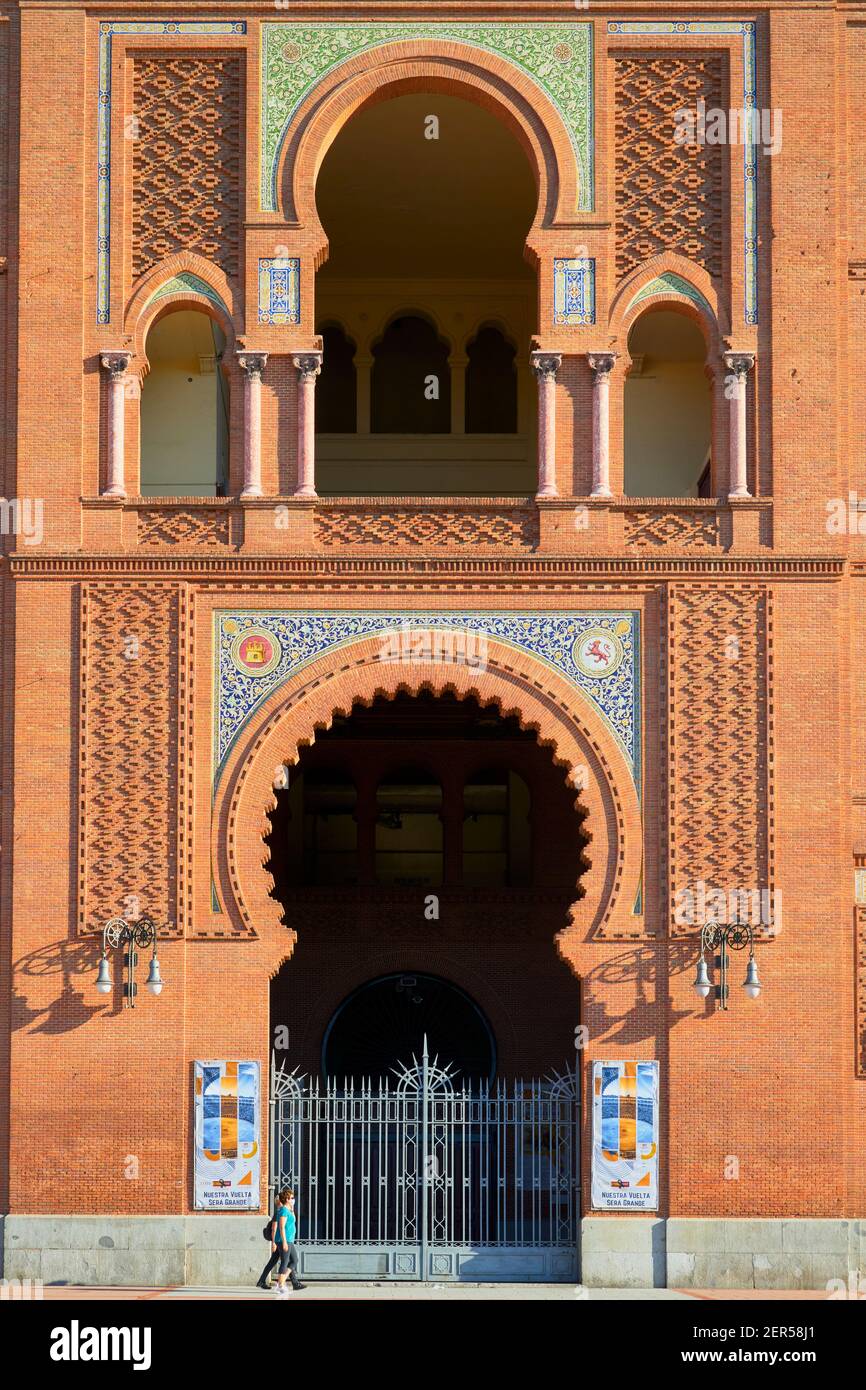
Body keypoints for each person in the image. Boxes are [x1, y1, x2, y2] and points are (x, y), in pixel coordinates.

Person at [266, 1187, 305, 1296]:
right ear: (287, 1199)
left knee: (294, 1260)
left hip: (289, 1239)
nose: (293, 1199)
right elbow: (281, 1227)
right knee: (285, 1262)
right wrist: (283, 1242)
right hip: (284, 1239)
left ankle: (281, 1282)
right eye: (291, 1198)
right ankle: (280, 1285)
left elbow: (294, 1220)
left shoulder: (288, 1210)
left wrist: (292, 1208)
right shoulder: (283, 1210)